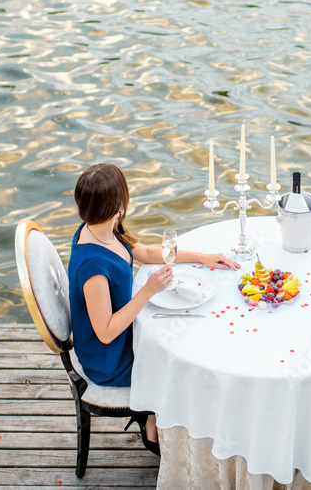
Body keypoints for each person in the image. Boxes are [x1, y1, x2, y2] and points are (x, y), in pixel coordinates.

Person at [68, 163, 240, 455]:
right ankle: (153, 421)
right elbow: (106, 333)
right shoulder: (92, 266)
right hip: (109, 360)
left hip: (126, 332)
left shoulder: (102, 228)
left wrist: (203, 257)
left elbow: (146, 253)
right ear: (119, 204)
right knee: (185, 363)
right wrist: (148, 291)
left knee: (190, 336)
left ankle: (159, 416)